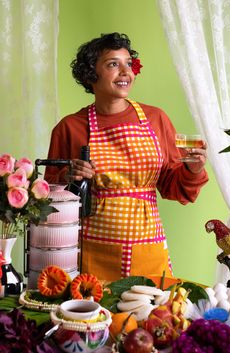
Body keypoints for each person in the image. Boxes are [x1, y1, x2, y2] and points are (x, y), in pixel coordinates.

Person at [45, 32, 208, 281]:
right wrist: (70, 177)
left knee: (151, 314)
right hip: (93, 250)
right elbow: (50, 201)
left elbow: (173, 188)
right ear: (91, 74)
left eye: (128, 64)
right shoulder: (70, 127)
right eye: (113, 64)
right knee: (94, 316)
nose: (125, 72)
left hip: (147, 247)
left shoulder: (156, 119)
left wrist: (193, 170)